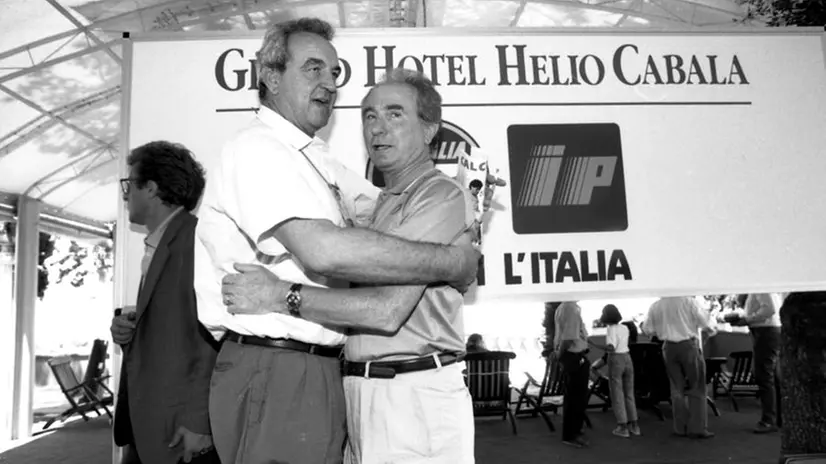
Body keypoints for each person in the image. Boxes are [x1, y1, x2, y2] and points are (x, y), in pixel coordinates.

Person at [193, 19, 482, 464]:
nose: (328, 83)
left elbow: (377, 221)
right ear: (270, 77)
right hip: (282, 367)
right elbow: (324, 251)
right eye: (313, 69)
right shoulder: (259, 149)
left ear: (430, 129)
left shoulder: (317, 159)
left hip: (339, 376)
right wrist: (454, 263)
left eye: (334, 72)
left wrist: (468, 209)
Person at [110, 141, 220, 464]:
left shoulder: (196, 243)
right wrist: (128, 332)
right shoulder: (161, 244)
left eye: (130, 183)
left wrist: (201, 421)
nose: (126, 193)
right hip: (148, 427)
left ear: (152, 189)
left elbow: (215, 338)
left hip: (181, 435)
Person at [642, 296, 717, 439]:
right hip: (688, 344)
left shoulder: (656, 305)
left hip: (668, 347)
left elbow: (648, 329)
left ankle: (680, 427)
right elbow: (706, 323)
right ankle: (697, 428)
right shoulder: (689, 301)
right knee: (697, 386)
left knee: (676, 388)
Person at [594, 304, 640, 438]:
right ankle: (635, 426)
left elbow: (611, 348)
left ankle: (622, 427)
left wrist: (593, 344)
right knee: (629, 394)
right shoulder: (625, 327)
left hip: (616, 360)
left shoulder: (611, 329)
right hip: (628, 358)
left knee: (617, 394)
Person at [743, 292, 785, 433]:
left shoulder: (762, 287)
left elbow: (769, 309)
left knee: (764, 375)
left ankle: (768, 420)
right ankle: (779, 417)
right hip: (768, 331)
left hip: (765, 331)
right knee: (772, 376)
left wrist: (748, 319)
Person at [554, 301, 591, 448]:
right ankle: (571, 434)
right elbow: (568, 338)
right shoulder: (569, 307)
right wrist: (560, 354)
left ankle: (575, 430)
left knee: (577, 397)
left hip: (574, 356)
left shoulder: (568, 307)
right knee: (576, 398)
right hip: (573, 356)